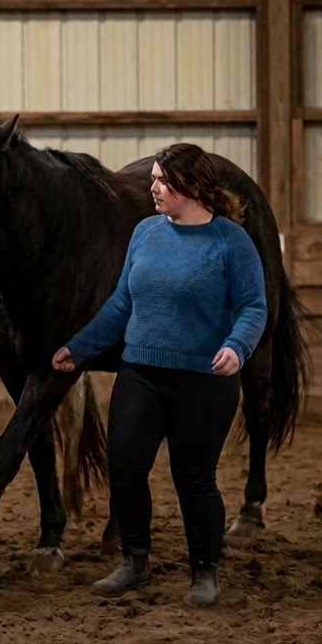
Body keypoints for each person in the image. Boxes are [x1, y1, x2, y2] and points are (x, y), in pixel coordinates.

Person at [52, 143, 267, 606]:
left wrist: (237, 346)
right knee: (126, 468)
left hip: (204, 382)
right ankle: (134, 561)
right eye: (152, 178)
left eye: (161, 181)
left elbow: (253, 306)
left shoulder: (231, 241)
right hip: (141, 375)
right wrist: (81, 347)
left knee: (194, 480)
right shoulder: (146, 233)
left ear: (191, 186)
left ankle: (204, 572)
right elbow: (122, 303)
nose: (152, 188)